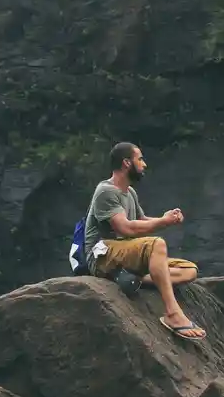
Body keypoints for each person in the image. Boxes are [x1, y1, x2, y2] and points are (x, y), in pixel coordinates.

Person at [84, 142, 206, 340]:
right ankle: (173, 314)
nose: (144, 164)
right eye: (140, 159)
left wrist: (164, 219)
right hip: (102, 255)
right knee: (156, 244)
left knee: (189, 270)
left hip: (124, 254)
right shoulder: (106, 191)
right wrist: (163, 222)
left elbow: (140, 221)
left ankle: (133, 279)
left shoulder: (129, 192)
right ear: (126, 163)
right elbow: (125, 227)